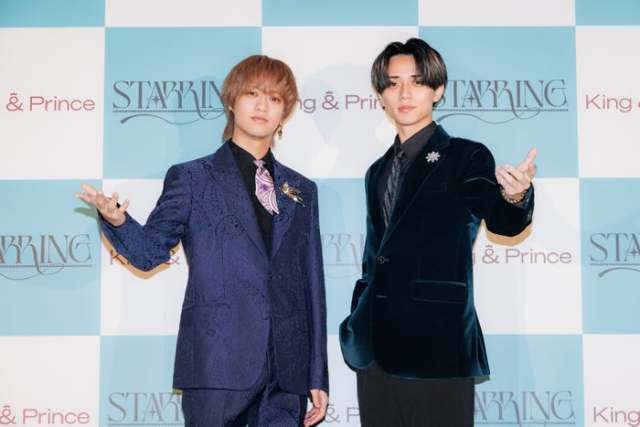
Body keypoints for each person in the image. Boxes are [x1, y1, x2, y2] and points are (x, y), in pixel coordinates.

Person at [76, 55, 329, 427]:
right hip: (216, 363)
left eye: (275, 98)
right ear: (232, 101)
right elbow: (148, 253)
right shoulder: (193, 178)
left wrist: (316, 374)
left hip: (286, 374)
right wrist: (117, 220)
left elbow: (312, 284)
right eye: (253, 93)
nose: (262, 105)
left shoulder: (302, 189)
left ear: (285, 112)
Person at [339, 38, 536, 426]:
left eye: (416, 81)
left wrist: (516, 197)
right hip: (375, 352)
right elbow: (375, 256)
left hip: (437, 348)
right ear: (381, 94)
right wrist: (357, 318)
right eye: (393, 83)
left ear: (438, 89)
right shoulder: (376, 171)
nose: (404, 93)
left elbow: (503, 220)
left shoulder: (466, 156)